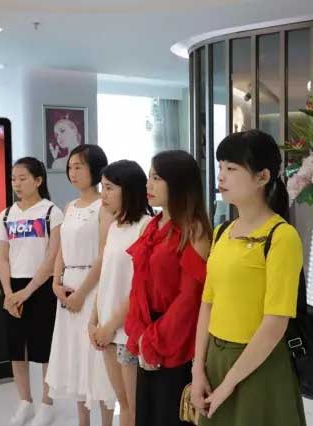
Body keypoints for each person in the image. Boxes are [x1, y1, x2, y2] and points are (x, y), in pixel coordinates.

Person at [191, 130, 306, 426]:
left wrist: (228, 385)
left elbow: (275, 323)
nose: (221, 176)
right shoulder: (221, 232)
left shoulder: (281, 237)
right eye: (220, 167)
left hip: (259, 367)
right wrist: (198, 369)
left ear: (262, 176)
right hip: (215, 362)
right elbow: (207, 304)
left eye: (231, 168)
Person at [124, 150, 211, 426]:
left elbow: (190, 299)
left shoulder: (194, 230)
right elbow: (137, 286)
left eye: (157, 178)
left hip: (176, 339)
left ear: (178, 182)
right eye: (149, 177)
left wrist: (153, 340)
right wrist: (140, 334)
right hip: (147, 330)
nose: (148, 184)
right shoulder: (150, 226)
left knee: (170, 414)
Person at [45, 144, 116, 426]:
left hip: (92, 287)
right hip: (68, 286)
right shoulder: (70, 206)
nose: (72, 172)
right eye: (70, 167)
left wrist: (82, 293)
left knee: (97, 358)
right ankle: (82, 422)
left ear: (95, 169)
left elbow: (104, 253)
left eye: (79, 167)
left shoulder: (104, 206)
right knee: (74, 354)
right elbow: (61, 249)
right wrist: (56, 281)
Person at [0, 157, 64, 426]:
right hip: (13, 287)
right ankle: (25, 401)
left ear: (38, 180)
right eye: (14, 179)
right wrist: (8, 293)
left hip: (42, 287)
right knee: (17, 350)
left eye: (23, 178)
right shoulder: (6, 215)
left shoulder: (52, 212)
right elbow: (3, 258)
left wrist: (27, 291)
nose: (17, 184)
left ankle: (47, 404)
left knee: (45, 349)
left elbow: (52, 257)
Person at [88, 160, 153, 426]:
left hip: (128, 330)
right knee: (122, 402)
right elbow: (105, 278)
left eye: (109, 188)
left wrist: (110, 326)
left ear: (129, 190)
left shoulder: (147, 226)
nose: (103, 194)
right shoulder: (114, 226)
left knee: (135, 406)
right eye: (102, 187)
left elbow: (140, 286)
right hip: (107, 329)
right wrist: (94, 321)